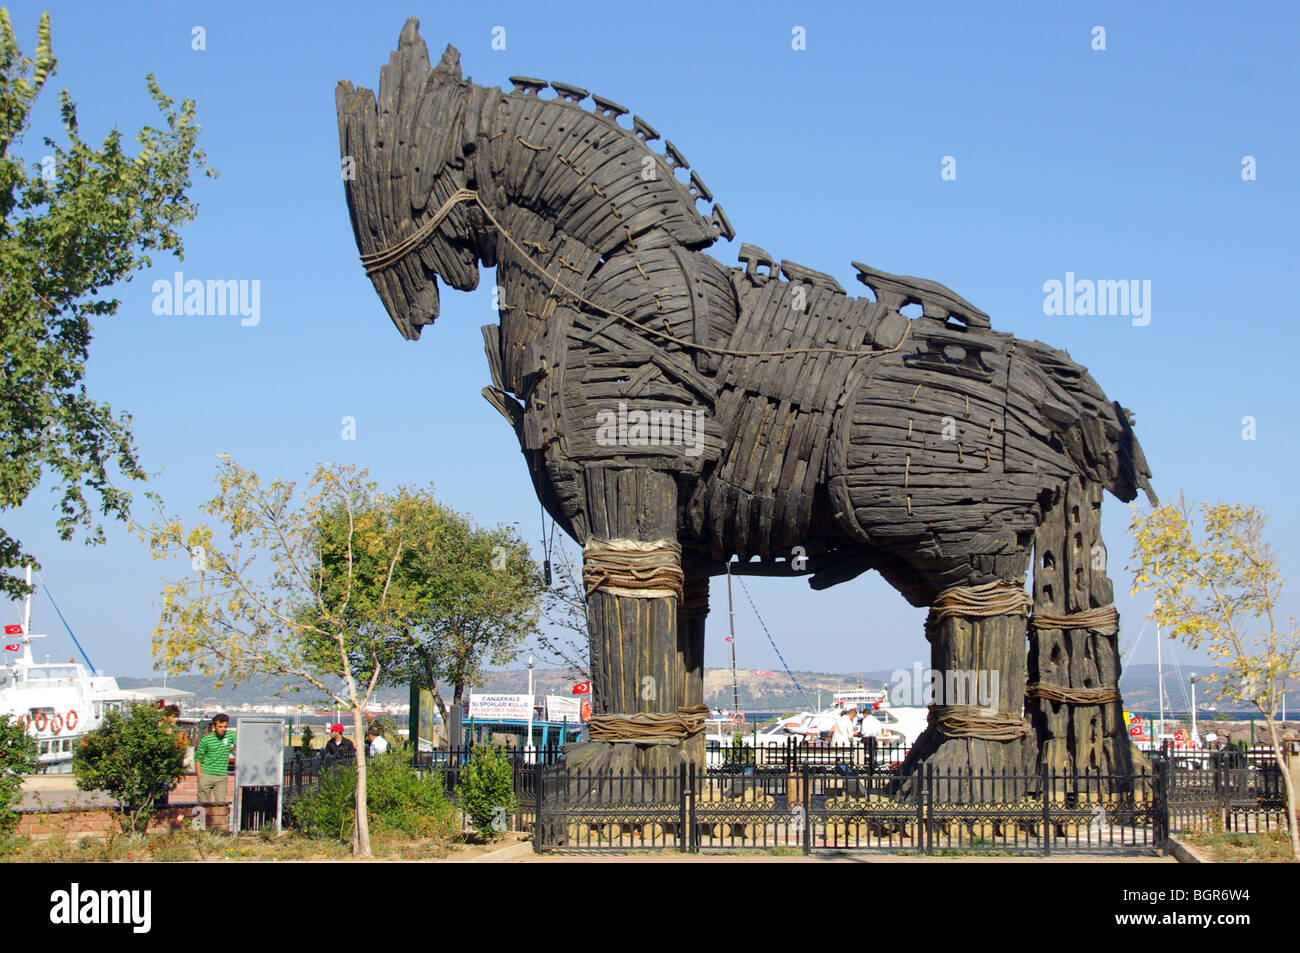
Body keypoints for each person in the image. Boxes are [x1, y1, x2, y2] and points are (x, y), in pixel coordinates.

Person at [195, 714, 236, 804]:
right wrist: (200, 778)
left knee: (221, 805)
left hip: (221, 776)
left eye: (225, 726)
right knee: (203, 805)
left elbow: (240, 744)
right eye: (220, 726)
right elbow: (198, 759)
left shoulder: (230, 735)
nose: (223, 729)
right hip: (206, 774)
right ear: (214, 726)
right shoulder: (206, 740)